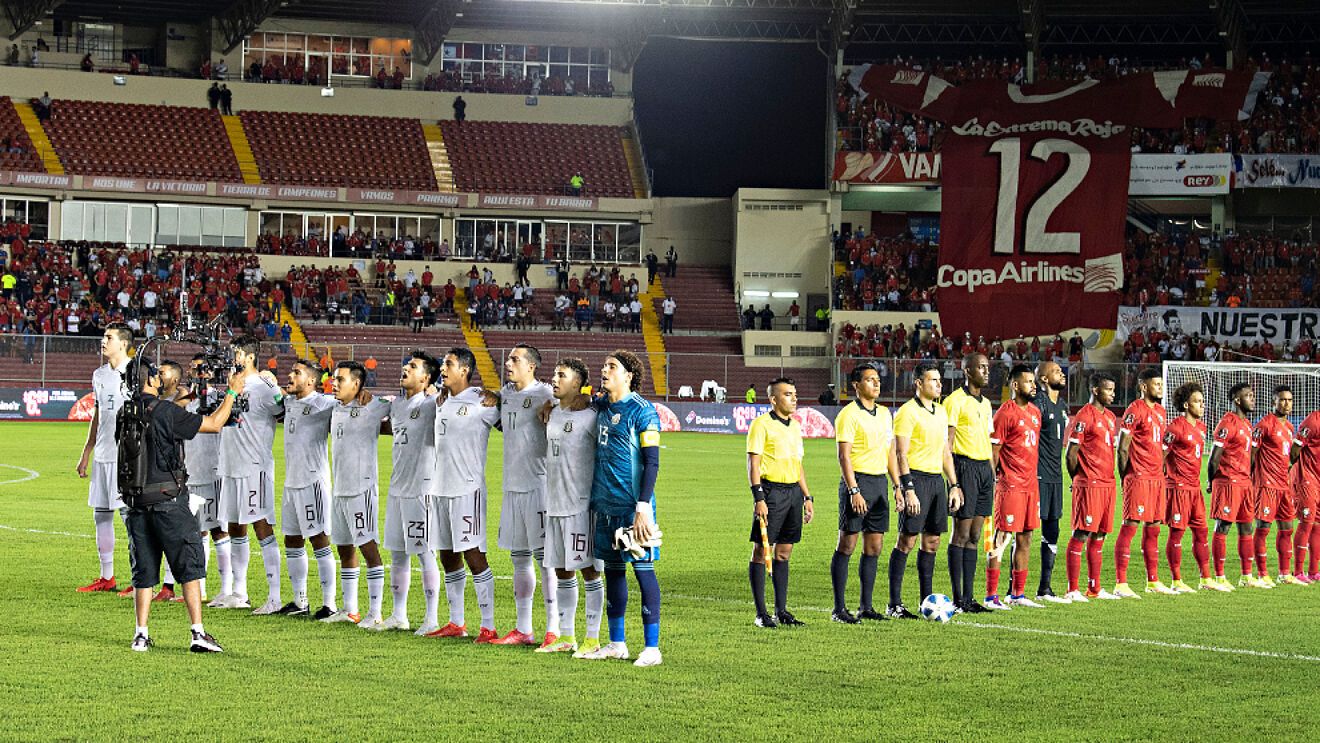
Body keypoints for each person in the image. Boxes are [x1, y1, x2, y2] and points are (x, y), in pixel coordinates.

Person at [123, 359, 245, 653]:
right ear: (150, 379)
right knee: (189, 565)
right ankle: (198, 632)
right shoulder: (166, 411)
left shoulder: (125, 412)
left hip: (136, 501)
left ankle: (141, 634)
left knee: (144, 570)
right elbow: (214, 424)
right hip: (168, 499)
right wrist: (231, 392)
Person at [579, 350, 663, 666]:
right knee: (613, 570)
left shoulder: (643, 412)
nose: (604, 370)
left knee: (643, 570)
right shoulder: (600, 405)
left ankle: (652, 648)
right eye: (603, 365)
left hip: (633, 507)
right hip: (605, 504)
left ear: (628, 375)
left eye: (612, 366)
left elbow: (652, 461)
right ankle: (617, 643)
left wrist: (643, 506)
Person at [425, 348, 501, 641]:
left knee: (473, 554)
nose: (443, 368)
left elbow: (511, 416)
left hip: (467, 489)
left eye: (449, 364)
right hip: (440, 488)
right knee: (447, 555)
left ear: (465, 370)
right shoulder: (441, 401)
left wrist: (501, 397)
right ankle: (456, 622)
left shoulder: (483, 401)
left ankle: (489, 625)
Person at [209, 335, 285, 613]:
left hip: (255, 466)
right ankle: (239, 593)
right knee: (235, 526)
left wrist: (275, 385)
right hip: (230, 464)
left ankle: (275, 597)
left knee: (261, 526)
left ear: (250, 356)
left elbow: (282, 410)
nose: (233, 358)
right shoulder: (233, 385)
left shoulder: (262, 385)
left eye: (237, 353)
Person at [492, 345, 559, 647]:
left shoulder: (547, 394)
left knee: (546, 561)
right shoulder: (505, 395)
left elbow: (577, 403)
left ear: (531, 366)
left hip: (538, 486)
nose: (508, 363)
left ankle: (554, 628)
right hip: (511, 488)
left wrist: (556, 407)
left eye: (515, 360)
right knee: (519, 558)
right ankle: (523, 628)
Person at [536, 358, 605, 655]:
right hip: (554, 503)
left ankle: (592, 638)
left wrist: (593, 400)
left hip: (581, 506)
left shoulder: (591, 416)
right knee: (563, 569)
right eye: (554, 374)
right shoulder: (551, 412)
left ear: (577, 383)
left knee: (589, 570)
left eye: (561, 375)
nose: (554, 378)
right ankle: (567, 636)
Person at [889, 362, 963, 618]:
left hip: (935, 482)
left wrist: (953, 484)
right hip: (916, 480)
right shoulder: (907, 412)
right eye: (933, 380)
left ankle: (926, 601)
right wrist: (907, 488)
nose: (939, 384)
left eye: (940, 380)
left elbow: (945, 453)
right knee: (907, 541)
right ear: (919, 383)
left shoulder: (941, 412)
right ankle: (894, 603)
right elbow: (901, 453)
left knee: (931, 543)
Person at [829, 363, 901, 624]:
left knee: (874, 547)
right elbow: (843, 456)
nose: (876, 383)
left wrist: (897, 486)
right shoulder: (848, 415)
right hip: (857, 483)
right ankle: (839, 608)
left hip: (879, 483)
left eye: (877, 379)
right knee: (847, 543)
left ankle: (866, 607)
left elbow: (890, 453)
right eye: (870, 380)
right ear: (856, 386)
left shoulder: (884, 414)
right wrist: (854, 490)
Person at [321, 361, 391, 627]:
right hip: (340, 489)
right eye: (334, 379)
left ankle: (375, 612)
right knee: (344, 547)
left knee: (368, 547)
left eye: (340, 379)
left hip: (361, 489)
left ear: (357, 384)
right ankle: (350, 609)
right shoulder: (335, 407)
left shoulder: (372, 407)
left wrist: (374, 399)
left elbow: (396, 405)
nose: (334, 384)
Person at [381, 351, 443, 633]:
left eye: (413, 366)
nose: (406, 369)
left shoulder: (432, 404)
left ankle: (431, 619)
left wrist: (439, 391)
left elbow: (452, 400)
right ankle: (399, 615)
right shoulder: (396, 406)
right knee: (397, 553)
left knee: (425, 552)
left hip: (422, 488)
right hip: (397, 488)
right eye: (406, 365)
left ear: (426, 377)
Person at [746, 377, 814, 628]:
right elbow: (753, 464)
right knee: (762, 551)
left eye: (795, 394)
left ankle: (781, 611)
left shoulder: (795, 426)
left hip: (793, 492)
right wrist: (759, 498)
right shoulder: (761, 425)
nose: (794, 398)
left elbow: (798, 464)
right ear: (774, 399)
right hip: (771, 492)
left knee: (784, 553)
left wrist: (807, 496)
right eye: (788, 394)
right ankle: (761, 613)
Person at [277, 359, 338, 618]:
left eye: (297, 372)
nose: (290, 375)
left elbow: (347, 403)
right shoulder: (290, 402)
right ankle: (300, 601)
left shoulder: (323, 403)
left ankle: (329, 603)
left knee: (319, 539)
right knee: (292, 539)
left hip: (313, 482)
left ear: (311, 381)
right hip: (291, 482)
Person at [76, 324, 133, 593]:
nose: (103, 341)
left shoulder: (136, 372)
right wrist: (86, 452)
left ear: (123, 343)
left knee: (131, 518)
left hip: (127, 458)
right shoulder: (99, 374)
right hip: (103, 454)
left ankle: (140, 579)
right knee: (101, 515)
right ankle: (107, 577)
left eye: (109, 338)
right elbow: (97, 415)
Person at [985, 365, 1043, 609]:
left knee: (1026, 538)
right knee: (1001, 539)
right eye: (1029, 381)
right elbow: (993, 454)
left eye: (1034, 381)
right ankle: (991, 596)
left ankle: (1017, 594)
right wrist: (992, 484)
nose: (1034, 385)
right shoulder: (1004, 414)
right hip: (1010, 487)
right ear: (1016, 385)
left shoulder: (1035, 413)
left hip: (1031, 486)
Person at [1112, 368, 1172, 598]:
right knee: (1130, 527)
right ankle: (1121, 583)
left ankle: (1153, 581)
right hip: (1138, 477)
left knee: (1154, 528)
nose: (1160, 388)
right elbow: (1123, 448)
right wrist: (1125, 477)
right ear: (1144, 387)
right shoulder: (1134, 410)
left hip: (1157, 478)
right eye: (1156, 384)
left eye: (1161, 384)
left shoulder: (1160, 411)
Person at [1062, 372, 1121, 602]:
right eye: (1108, 389)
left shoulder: (1108, 417)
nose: (1113, 394)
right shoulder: (1084, 416)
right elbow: (1071, 454)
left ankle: (1094, 588)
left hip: (1107, 483)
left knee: (1099, 536)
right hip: (1090, 484)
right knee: (1082, 533)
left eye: (1113, 390)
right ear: (1095, 390)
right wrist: (1078, 480)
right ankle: (1072, 589)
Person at [944, 354, 994, 612]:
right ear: (967, 370)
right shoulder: (954, 401)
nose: (987, 371)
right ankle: (957, 598)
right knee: (961, 534)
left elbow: (987, 439)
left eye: (988, 367)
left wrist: (992, 473)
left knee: (975, 535)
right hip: (964, 468)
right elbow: (947, 444)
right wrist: (954, 482)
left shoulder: (985, 403)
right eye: (981, 367)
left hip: (984, 469)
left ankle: (969, 597)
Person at [181, 356, 233, 603]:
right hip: (190, 473)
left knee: (219, 531)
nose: (198, 372)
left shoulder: (219, 400)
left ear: (212, 373)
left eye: (203, 369)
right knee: (195, 533)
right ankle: (199, 590)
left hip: (214, 473)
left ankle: (227, 589)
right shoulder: (186, 401)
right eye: (194, 368)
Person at [1163, 381, 1223, 592]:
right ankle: (1176, 580)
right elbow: (1161, 455)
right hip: (1178, 488)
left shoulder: (1201, 428)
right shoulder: (1174, 428)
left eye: (1203, 401)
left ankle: (1205, 578)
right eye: (1197, 402)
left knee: (1201, 531)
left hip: (1194, 488)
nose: (1202, 405)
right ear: (1186, 405)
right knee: (1177, 533)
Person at [1250, 385, 1303, 586]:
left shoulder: (1289, 427)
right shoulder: (1264, 425)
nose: (1286, 403)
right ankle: (1262, 573)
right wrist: (1251, 477)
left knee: (1287, 528)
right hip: (1266, 484)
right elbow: (1252, 454)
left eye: (1289, 400)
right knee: (1263, 527)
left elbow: (1289, 456)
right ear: (1274, 402)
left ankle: (1284, 573)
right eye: (1282, 400)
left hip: (1283, 485)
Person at [1208, 382, 1258, 588]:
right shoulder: (1227, 423)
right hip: (1228, 482)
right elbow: (1213, 459)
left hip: (1245, 483)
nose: (1252, 398)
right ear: (1237, 400)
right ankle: (1219, 576)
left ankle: (1246, 577)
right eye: (1248, 395)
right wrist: (1212, 483)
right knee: (1223, 526)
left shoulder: (1247, 424)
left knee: (1247, 528)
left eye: (1252, 395)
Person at [1032, 361, 1071, 603]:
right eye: (1056, 371)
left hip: (1055, 478)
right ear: (1044, 379)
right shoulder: (1038, 404)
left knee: (1053, 531)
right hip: (1036, 477)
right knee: (1023, 532)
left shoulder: (1063, 405)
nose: (1062, 374)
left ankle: (1044, 588)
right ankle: (1013, 590)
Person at [1290, 405, 1320, 582]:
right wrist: (1295, 471)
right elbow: (1295, 448)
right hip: (1306, 478)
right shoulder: (1314, 420)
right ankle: (1298, 572)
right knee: (1306, 522)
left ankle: (1313, 571)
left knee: (1317, 525)